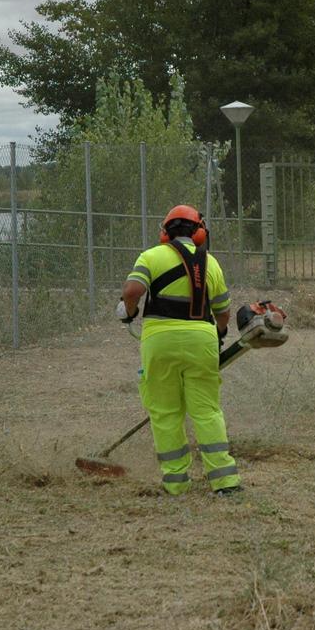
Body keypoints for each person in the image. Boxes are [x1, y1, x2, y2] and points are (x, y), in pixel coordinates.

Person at [117, 204, 242, 496]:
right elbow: (223, 313)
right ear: (199, 233)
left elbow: (132, 291)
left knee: (166, 412)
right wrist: (219, 335)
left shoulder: (150, 256)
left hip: (160, 341)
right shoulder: (211, 263)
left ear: (165, 234)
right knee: (207, 411)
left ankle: (176, 484)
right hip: (202, 340)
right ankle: (225, 482)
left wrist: (130, 313)